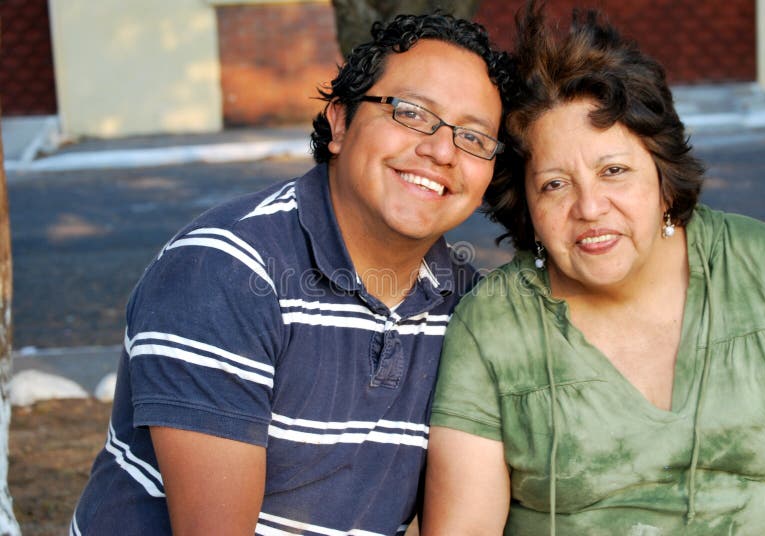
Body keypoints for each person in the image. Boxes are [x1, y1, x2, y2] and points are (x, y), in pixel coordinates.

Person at [71, 12, 516, 536]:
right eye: (412, 113)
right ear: (340, 122)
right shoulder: (223, 271)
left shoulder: (468, 305)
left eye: (474, 137)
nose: (442, 151)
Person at [422, 4, 765, 536]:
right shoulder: (493, 326)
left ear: (664, 176)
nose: (590, 207)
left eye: (614, 171)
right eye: (555, 184)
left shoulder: (760, 265)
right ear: (526, 207)